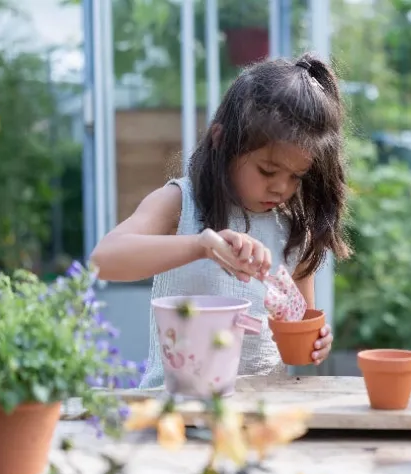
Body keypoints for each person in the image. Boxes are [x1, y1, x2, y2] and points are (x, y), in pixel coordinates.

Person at [91, 53, 352, 389]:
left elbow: (296, 335)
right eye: (267, 171)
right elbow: (103, 260)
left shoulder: (292, 232)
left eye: (296, 176)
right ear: (221, 141)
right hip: (175, 407)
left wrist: (314, 342)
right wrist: (201, 246)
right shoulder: (180, 203)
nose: (281, 187)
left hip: (259, 413)